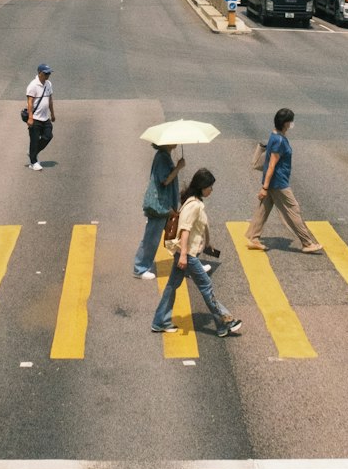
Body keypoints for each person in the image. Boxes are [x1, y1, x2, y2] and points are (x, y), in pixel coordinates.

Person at [151, 168, 242, 337]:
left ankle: (159, 320)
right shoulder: (193, 205)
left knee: (172, 285)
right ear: (202, 187)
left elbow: (197, 228)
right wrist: (184, 255)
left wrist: (207, 243)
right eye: (210, 187)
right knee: (206, 286)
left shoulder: (194, 202)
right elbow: (184, 231)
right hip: (188, 254)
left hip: (186, 252)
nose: (211, 190)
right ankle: (224, 321)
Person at [246, 107, 323, 253]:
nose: (291, 124)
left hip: (274, 183)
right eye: (290, 122)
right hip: (278, 183)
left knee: (263, 209)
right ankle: (307, 243)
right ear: (285, 123)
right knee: (293, 210)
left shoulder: (274, 135)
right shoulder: (279, 141)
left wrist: (266, 187)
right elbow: (271, 166)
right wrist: (265, 187)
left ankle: (254, 238)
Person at [133, 145, 185, 278]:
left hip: (165, 204)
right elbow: (165, 181)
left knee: (177, 235)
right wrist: (178, 167)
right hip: (159, 205)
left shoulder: (165, 156)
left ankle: (189, 264)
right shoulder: (162, 158)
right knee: (151, 238)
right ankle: (140, 268)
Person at [25, 64, 54, 170]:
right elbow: (30, 102)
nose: (48, 75)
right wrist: (30, 117)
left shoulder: (48, 84)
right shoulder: (33, 85)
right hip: (35, 118)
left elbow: (50, 100)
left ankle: (33, 151)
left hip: (45, 118)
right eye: (46, 73)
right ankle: (33, 162)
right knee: (34, 140)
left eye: (49, 73)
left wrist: (53, 114)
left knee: (48, 136)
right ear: (40, 73)